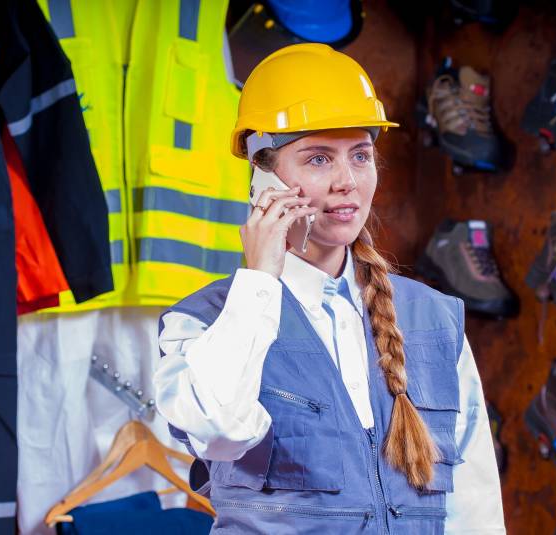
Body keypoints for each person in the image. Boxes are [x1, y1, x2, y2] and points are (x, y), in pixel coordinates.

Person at [153, 43, 505, 534]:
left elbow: (476, 504)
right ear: (262, 175)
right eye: (318, 159)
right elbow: (217, 428)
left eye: (361, 156)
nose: (348, 182)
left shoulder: (434, 318)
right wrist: (258, 281)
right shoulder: (202, 321)